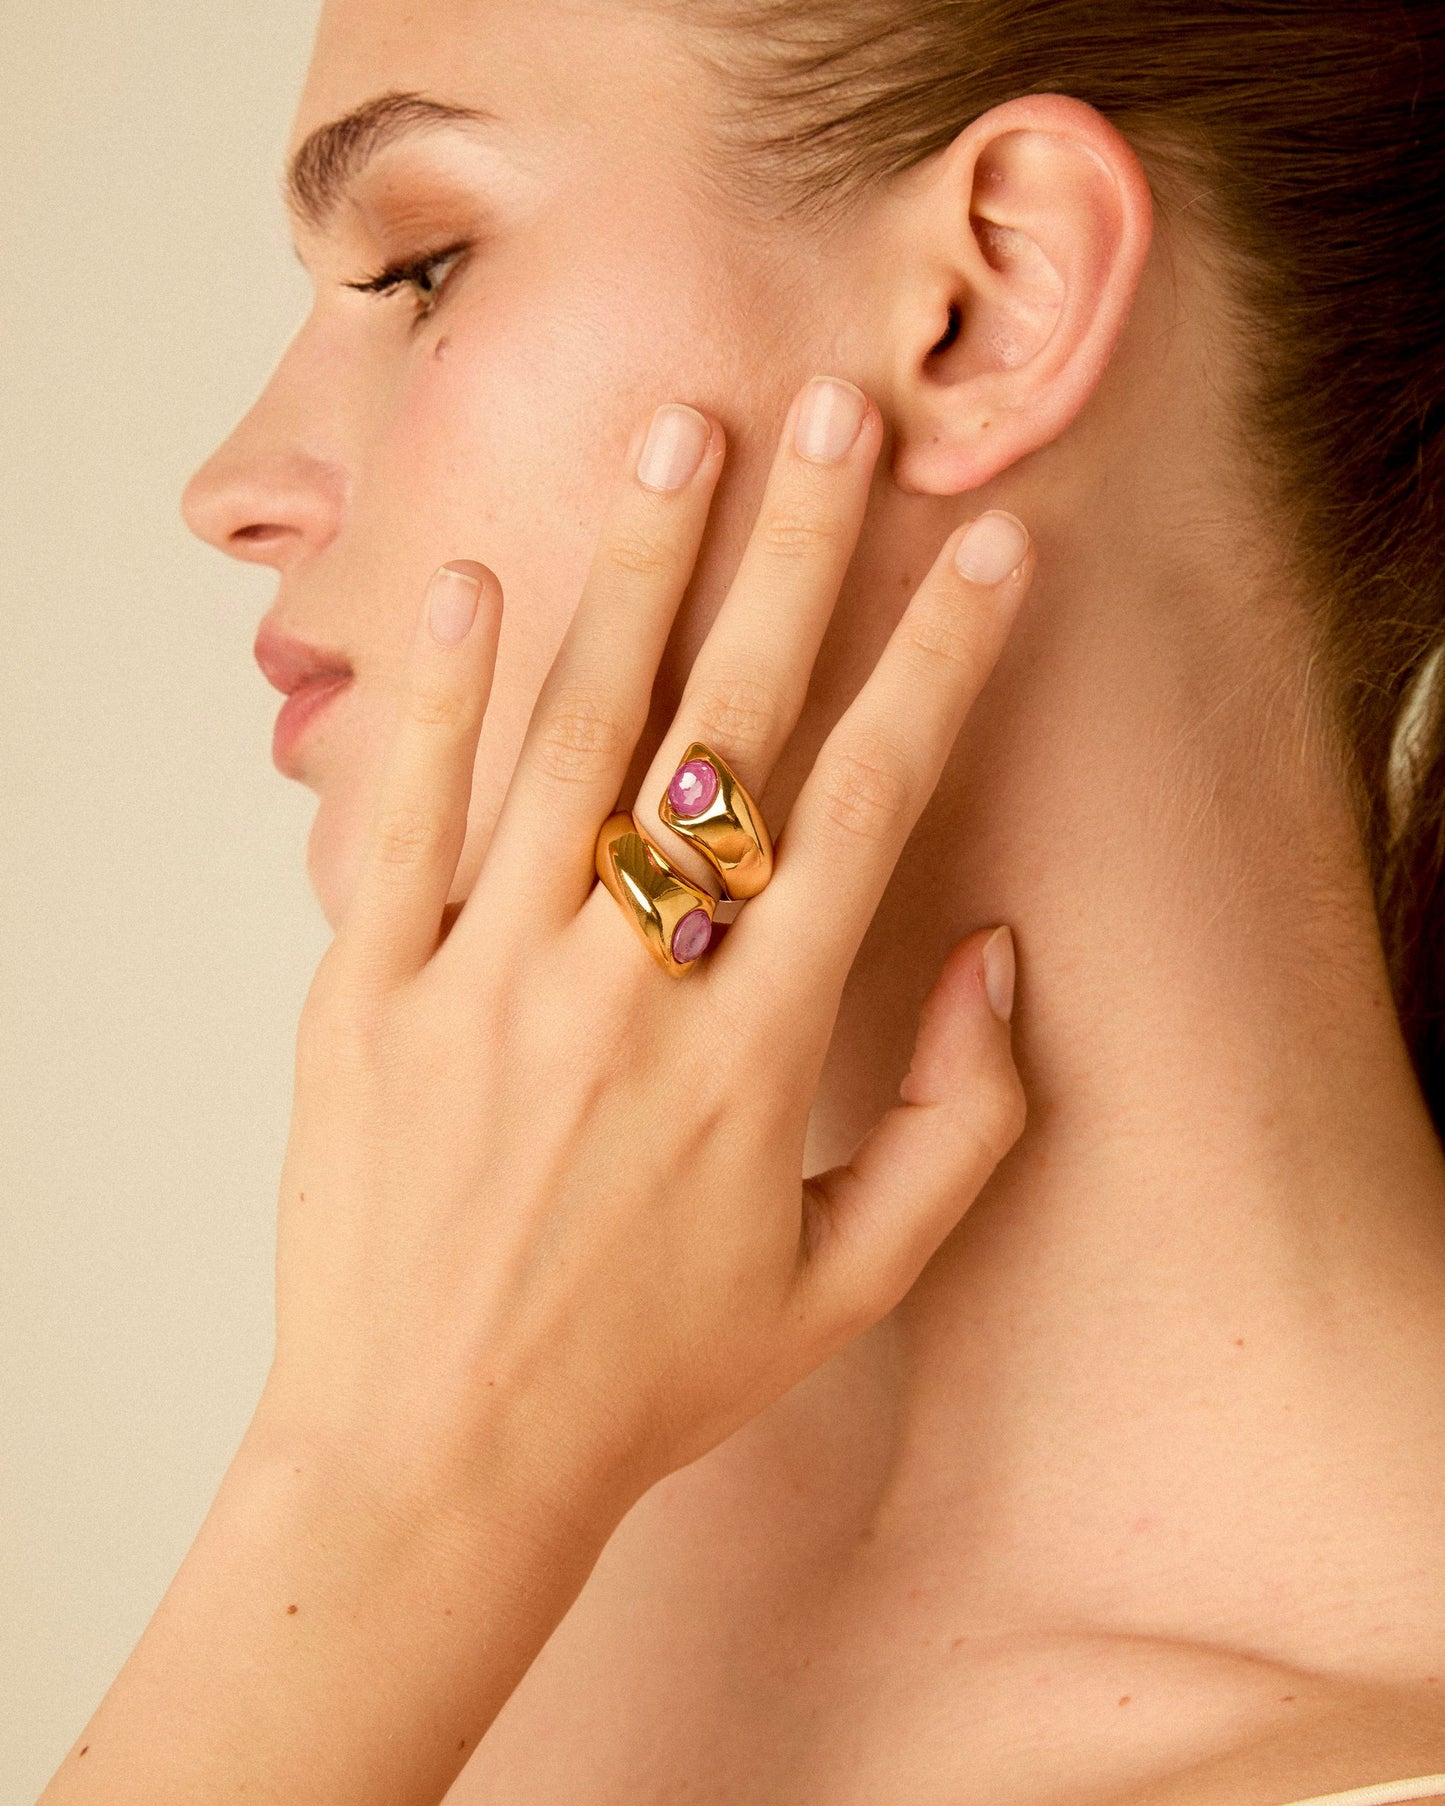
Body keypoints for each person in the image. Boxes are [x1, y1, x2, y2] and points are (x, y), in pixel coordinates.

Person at [35, 0, 1445, 1802]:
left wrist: (375, 1509)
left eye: (415, 263)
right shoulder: (487, 1536)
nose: (231, 485)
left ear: (985, 304)